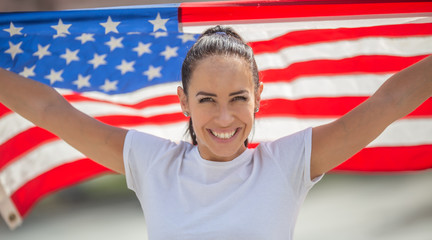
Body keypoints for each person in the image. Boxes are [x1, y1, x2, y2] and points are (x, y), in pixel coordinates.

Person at [0, 25, 431, 239]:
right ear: (183, 101)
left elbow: (388, 104)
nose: (224, 118)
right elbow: (49, 108)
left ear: (258, 97)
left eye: (238, 98)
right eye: (206, 99)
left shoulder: (287, 164)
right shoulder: (152, 164)